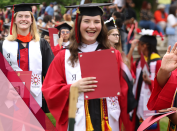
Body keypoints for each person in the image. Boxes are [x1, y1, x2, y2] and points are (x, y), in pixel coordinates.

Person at [42, 3, 131, 131]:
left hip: (108, 121)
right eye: (87, 21)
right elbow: (49, 90)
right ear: (78, 24)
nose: (92, 26)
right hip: (77, 121)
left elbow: (125, 92)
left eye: (96, 21)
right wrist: (72, 88)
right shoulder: (63, 56)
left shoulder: (113, 55)